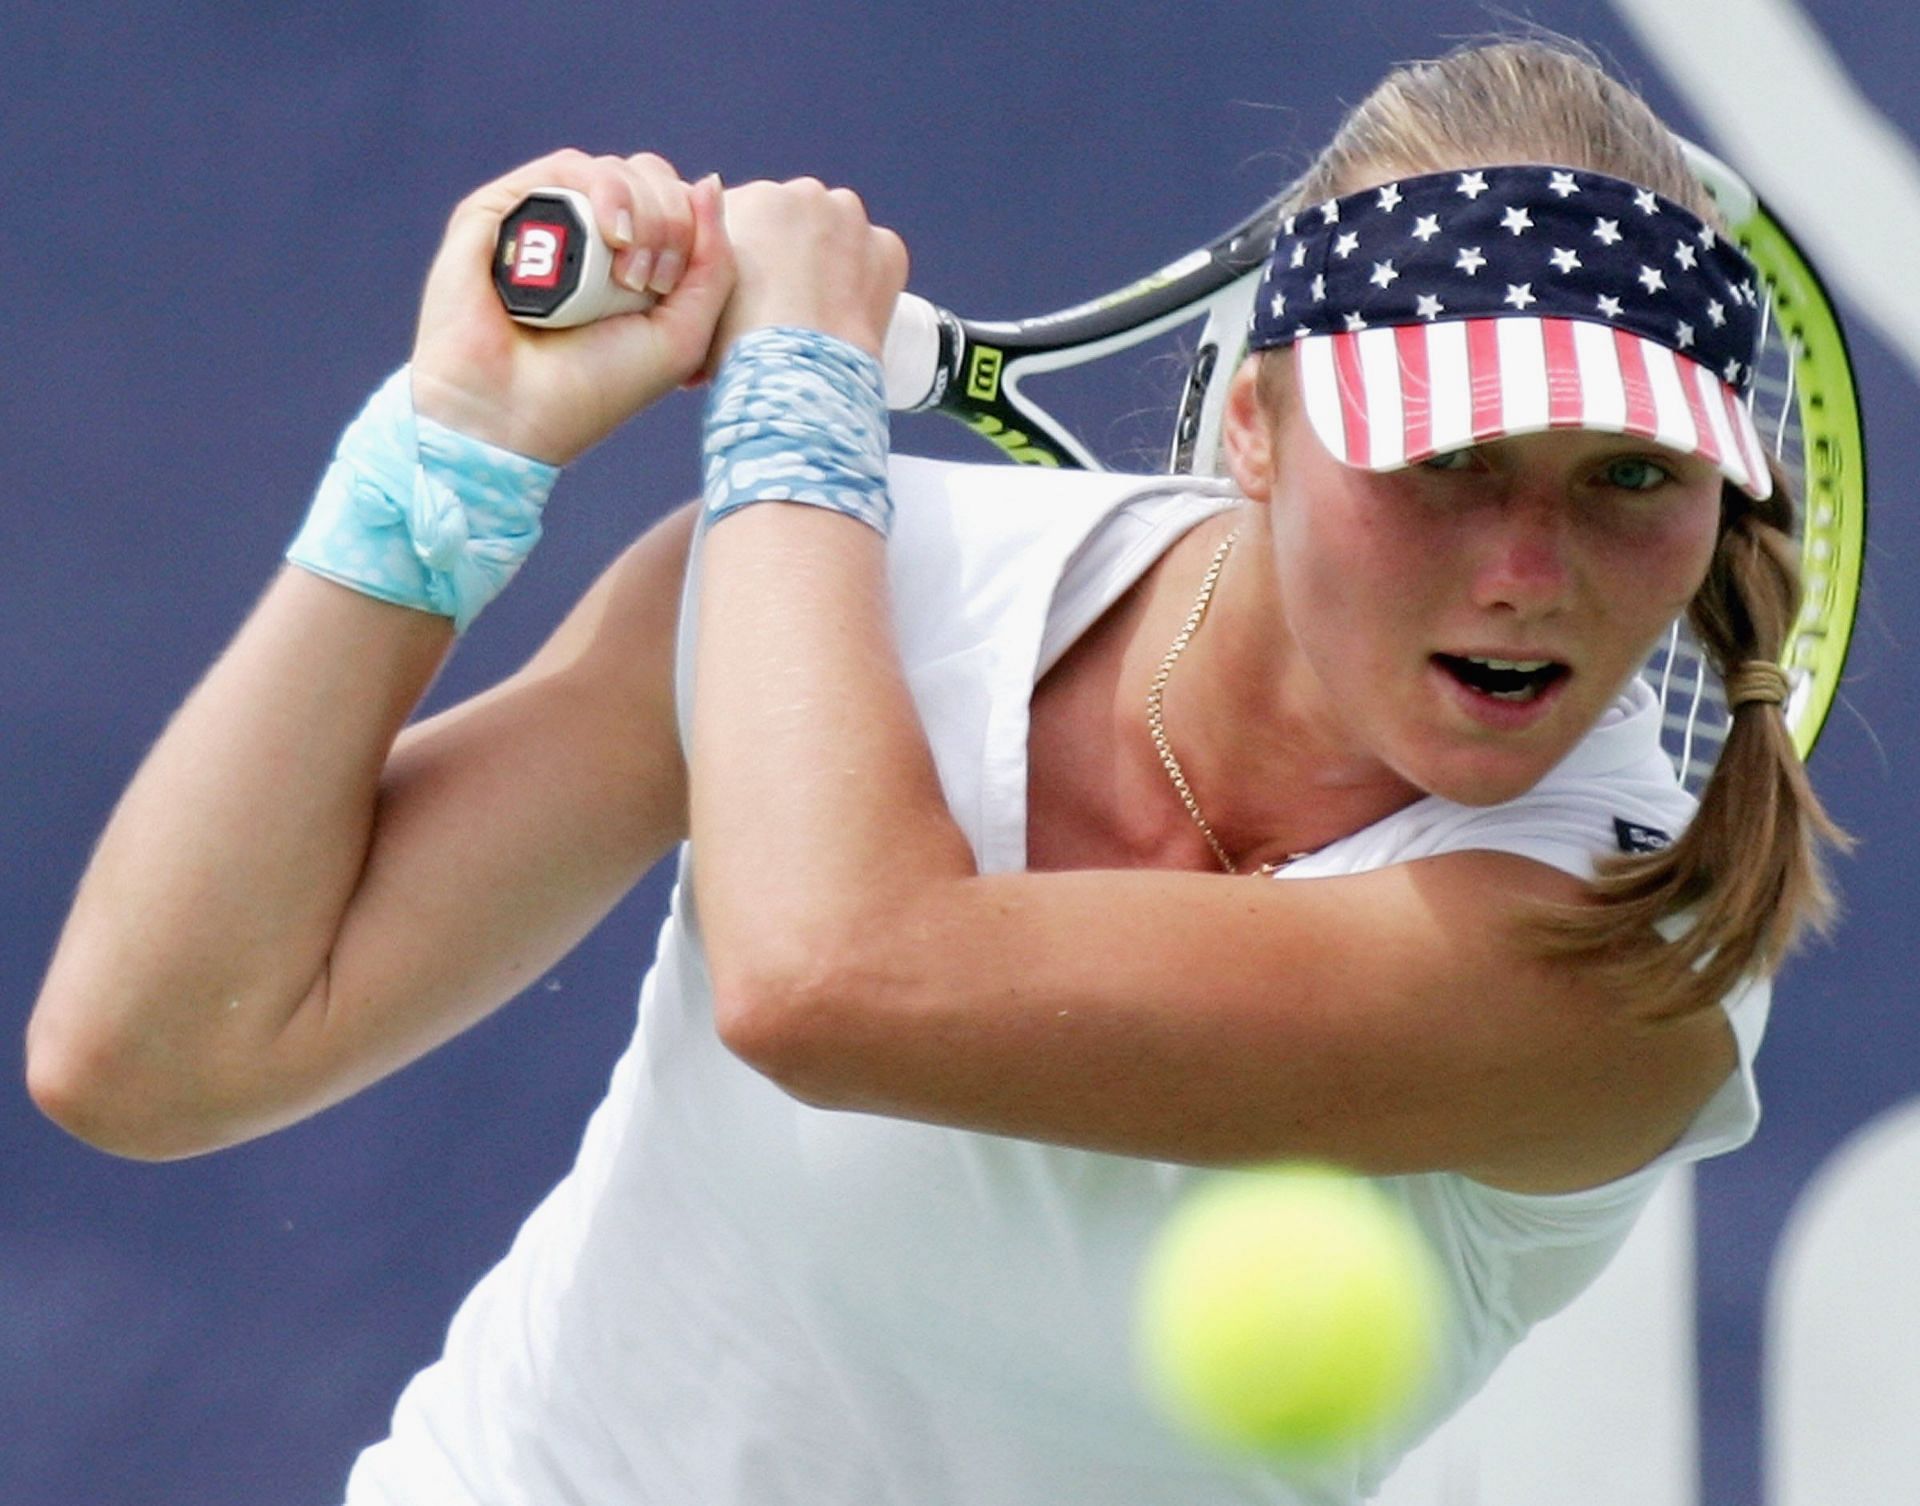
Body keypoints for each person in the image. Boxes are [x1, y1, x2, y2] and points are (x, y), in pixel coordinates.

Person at [27, 37, 1843, 1506]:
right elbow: (155, 1054)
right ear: (1255, 428)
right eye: (1447, 463)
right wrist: (449, 455)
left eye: (1625, 477)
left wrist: (796, 397)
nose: (1530, 565)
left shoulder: (1625, 967)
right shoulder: (857, 581)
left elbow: (832, 978)